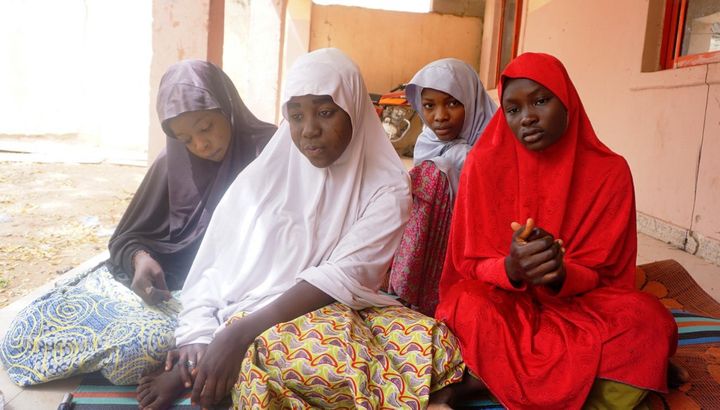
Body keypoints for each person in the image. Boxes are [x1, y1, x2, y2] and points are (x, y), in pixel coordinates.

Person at [136, 48, 465, 410]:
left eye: (325, 112)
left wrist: (238, 335)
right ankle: (420, 397)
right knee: (277, 360)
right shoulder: (265, 176)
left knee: (432, 340)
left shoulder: (388, 186)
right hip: (257, 312)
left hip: (339, 305)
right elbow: (214, 264)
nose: (309, 129)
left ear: (354, 107)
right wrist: (198, 335)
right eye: (296, 115)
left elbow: (345, 275)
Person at [0, 60, 276, 386]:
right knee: (28, 329)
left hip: (234, 296)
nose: (200, 145)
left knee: (139, 351)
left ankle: (178, 366)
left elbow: (281, 245)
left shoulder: (269, 151)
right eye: (185, 138)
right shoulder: (173, 160)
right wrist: (140, 259)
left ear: (227, 106)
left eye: (205, 128)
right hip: (167, 292)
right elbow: (127, 236)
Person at [434, 52, 678, 409]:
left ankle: (481, 385)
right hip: (505, 301)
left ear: (567, 102)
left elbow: (608, 274)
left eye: (541, 101)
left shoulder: (609, 172)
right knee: (464, 307)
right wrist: (511, 268)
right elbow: (467, 265)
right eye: (513, 109)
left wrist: (560, 273)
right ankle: (613, 383)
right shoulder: (483, 165)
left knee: (649, 320)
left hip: (581, 304)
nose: (527, 118)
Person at [388, 58, 496, 315]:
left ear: (471, 100)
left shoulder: (495, 139)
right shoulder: (427, 140)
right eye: (428, 106)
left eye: (452, 103)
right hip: (434, 244)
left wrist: (462, 159)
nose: (440, 116)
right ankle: (410, 288)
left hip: (478, 245)